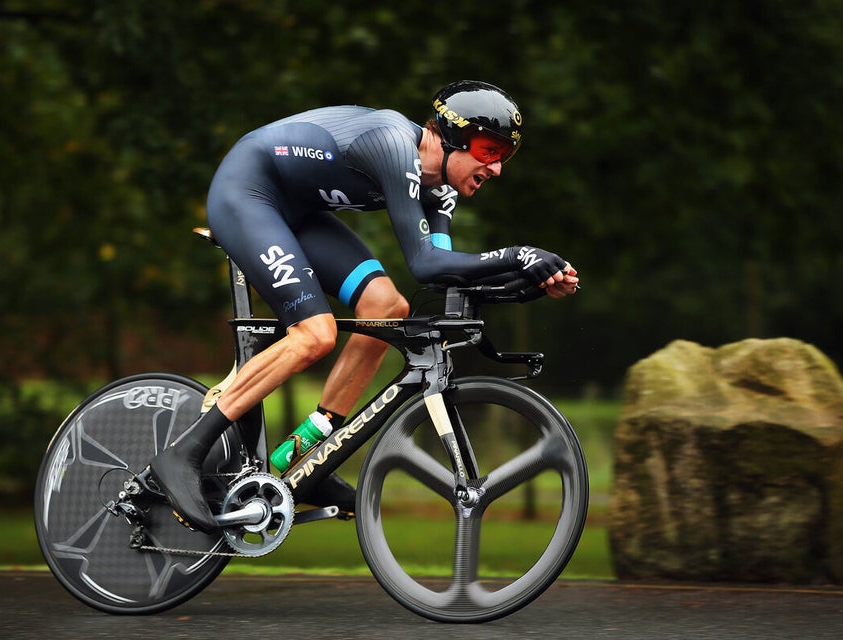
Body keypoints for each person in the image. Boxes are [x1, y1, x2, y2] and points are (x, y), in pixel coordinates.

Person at [149, 80, 580, 532]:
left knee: (387, 307)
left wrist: (529, 278)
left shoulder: (440, 190)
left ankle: (309, 457)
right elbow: (425, 262)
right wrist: (518, 256)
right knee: (315, 335)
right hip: (249, 193)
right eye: (489, 150)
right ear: (450, 136)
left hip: (297, 212)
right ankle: (184, 453)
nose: (496, 169)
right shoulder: (394, 145)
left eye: (504, 157)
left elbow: (445, 270)